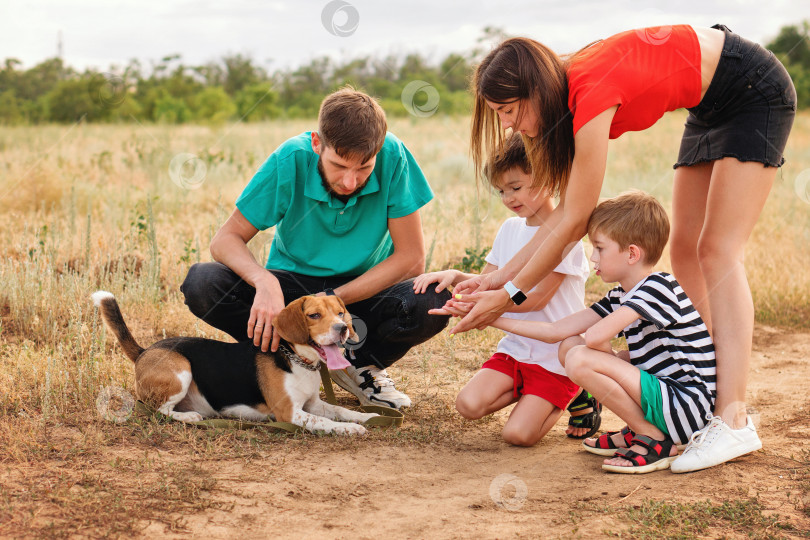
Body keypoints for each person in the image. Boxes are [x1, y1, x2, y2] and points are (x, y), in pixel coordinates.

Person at [447, 24, 795, 471]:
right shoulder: (563, 95)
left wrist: (510, 294)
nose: (507, 124)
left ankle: (733, 420)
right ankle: (695, 400)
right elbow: (560, 218)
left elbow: (575, 218)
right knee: (685, 248)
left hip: (751, 89)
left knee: (718, 250)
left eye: (509, 109)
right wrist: (495, 278)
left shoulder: (587, 94)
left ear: (535, 89)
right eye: (498, 112)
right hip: (709, 105)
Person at [180, 88, 451, 410]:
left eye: (364, 168)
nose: (350, 182)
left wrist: (334, 302)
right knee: (203, 283)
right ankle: (287, 361)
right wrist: (264, 282)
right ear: (316, 143)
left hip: (364, 293)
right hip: (295, 293)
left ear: (379, 150)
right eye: (338, 166)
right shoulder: (290, 157)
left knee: (433, 299)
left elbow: (411, 260)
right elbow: (225, 240)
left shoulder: (395, 155)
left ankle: (360, 365)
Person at [484, 192, 717, 473]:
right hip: (667, 400)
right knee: (570, 345)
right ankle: (641, 429)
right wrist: (489, 317)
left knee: (581, 358)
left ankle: (654, 439)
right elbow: (555, 330)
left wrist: (611, 360)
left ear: (632, 253)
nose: (592, 257)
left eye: (600, 248)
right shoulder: (622, 294)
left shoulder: (658, 286)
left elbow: (594, 338)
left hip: (686, 407)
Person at [414, 134, 591, 446]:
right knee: (467, 404)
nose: (508, 197)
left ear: (549, 179)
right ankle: (531, 396)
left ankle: (579, 391)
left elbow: (535, 299)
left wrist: (487, 309)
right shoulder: (509, 230)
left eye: (516, 187)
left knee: (518, 436)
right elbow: (489, 282)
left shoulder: (567, 234)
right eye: (501, 191)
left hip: (555, 355)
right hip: (517, 349)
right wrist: (456, 280)